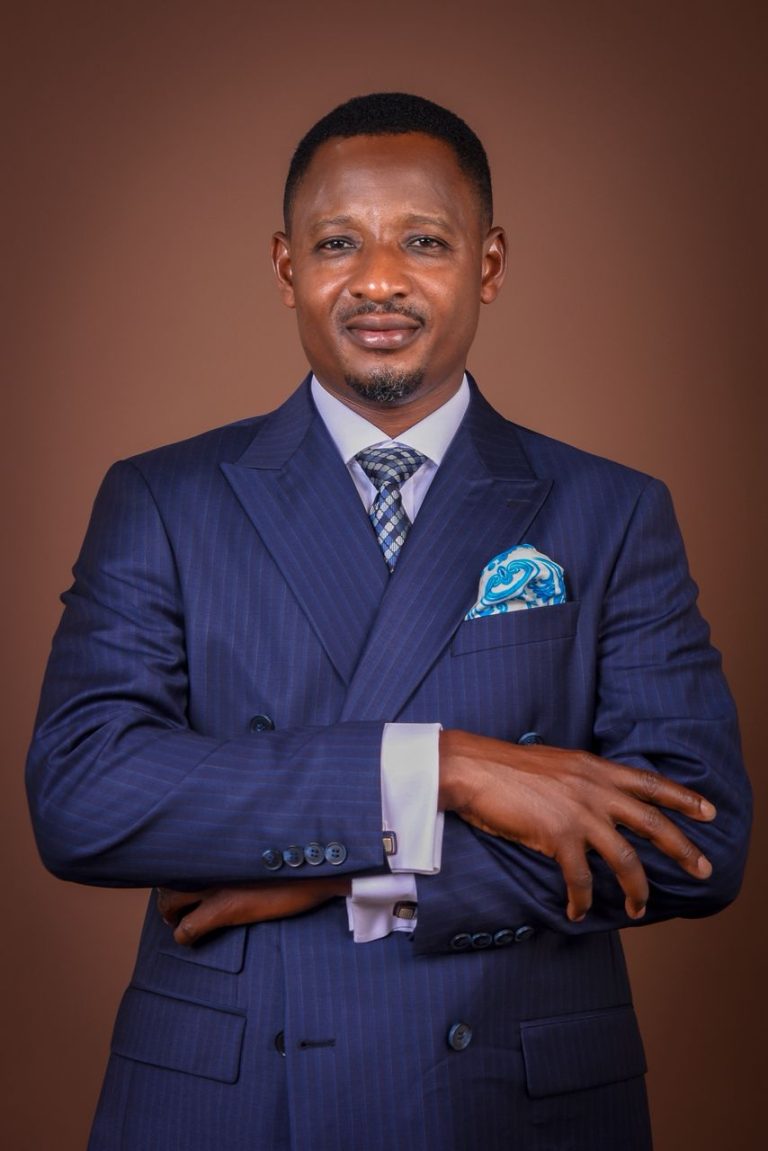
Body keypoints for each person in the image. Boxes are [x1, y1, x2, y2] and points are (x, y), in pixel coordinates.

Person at [26, 92, 750, 1151]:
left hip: (509, 1100)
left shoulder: (612, 510)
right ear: (285, 267)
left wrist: (360, 872)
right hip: (233, 1105)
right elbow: (83, 794)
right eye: (337, 243)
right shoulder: (163, 499)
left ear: (488, 264)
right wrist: (446, 767)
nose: (377, 279)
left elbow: (696, 838)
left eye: (423, 240)